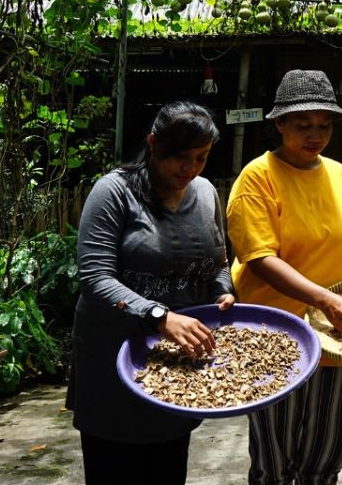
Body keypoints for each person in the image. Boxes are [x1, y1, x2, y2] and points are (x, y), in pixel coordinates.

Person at [66, 101, 235, 485]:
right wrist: (159, 316)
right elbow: (94, 279)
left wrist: (223, 288)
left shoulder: (206, 193)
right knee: (115, 466)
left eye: (201, 158)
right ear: (153, 143)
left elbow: (219, 259)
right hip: (112, 357)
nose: (190, 169)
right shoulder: (113, 192)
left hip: (175, 361)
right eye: (180, 157)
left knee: (168, 465)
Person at [226, 69, 342, 485]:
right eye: (303, 125)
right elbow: (259, 259)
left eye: (324, 125)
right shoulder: (257, 178)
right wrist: (324, 298)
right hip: (275, 334)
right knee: (275, 456)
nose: (316, 135)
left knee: (326, 451)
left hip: (335, 334)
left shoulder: (340, 174)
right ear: (279, 124)